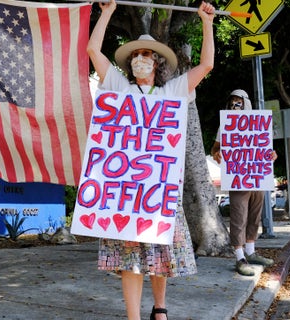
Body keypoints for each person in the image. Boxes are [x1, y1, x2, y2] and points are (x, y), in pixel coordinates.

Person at [86, 0, 215, 319]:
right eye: (135, 56)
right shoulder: (118, 86)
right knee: (130, 257)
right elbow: (93, 51)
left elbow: (206, 66)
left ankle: (160, 309)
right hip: (127, 192)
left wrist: (207, 23)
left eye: (147, 55)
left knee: (160, 253)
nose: (141, 59)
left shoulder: (172, 91)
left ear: (157, 62)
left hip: (160, 191)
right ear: (130, 64)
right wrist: (105, 14)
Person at [211, 89, 276, 276]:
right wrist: (218, 154)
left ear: (246, 103)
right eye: (231, 102)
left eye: (238, 102)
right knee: (239, 216)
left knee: (255, 216)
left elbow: (267, 149)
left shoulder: (259, 124)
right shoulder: (225, 125)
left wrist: (272, 155)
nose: (234, 105)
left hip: (257, 177)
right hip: (238, 177)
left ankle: (251, 251)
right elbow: (215, 148)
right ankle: (239, 257)